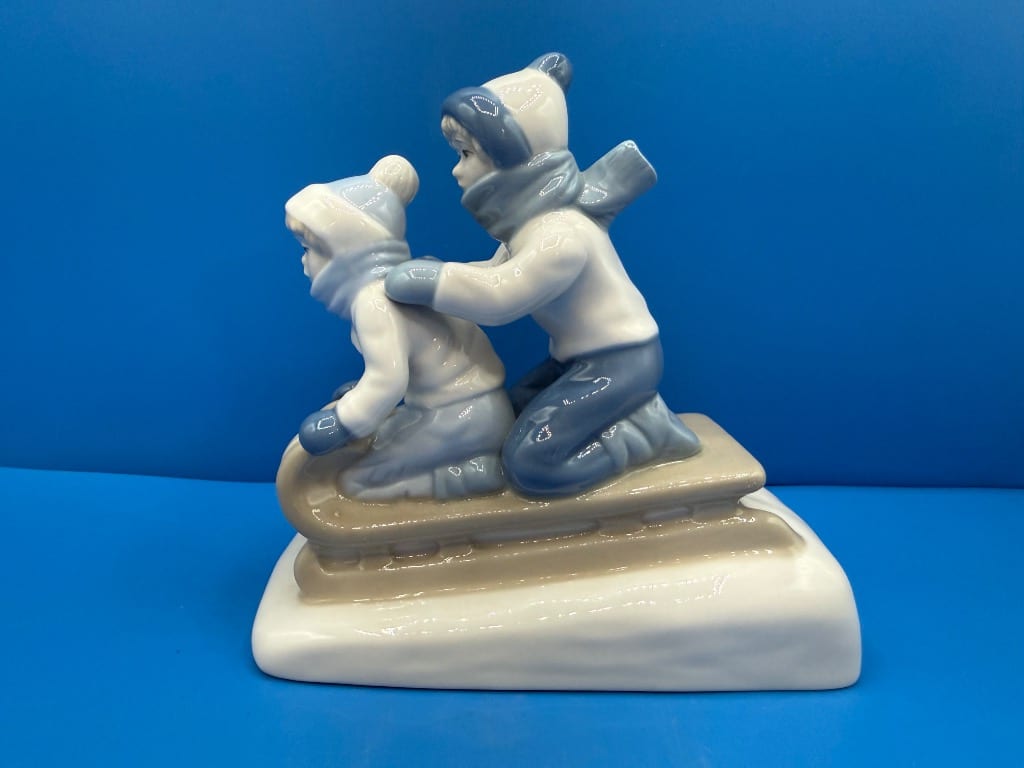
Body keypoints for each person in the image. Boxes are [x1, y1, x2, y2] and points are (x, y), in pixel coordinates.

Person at [385, 54, 700, 498]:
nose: (456, 169)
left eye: (466, 154)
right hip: (575, 361)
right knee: (505, 416)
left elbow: (500, 298)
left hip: (622, 363)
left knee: (532, 462)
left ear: (511, 158)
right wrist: (443, 275)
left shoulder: (560, 234)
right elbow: (494, 272)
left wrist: (435, 282)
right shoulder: (531, 227)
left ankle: (644, 436)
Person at [286, 155, 513, 500]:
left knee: (355, 482)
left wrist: (343, 420)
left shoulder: (373, 301)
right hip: (476, 410)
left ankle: (463, 478)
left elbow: (387, 380)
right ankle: (472, 463)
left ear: (342, 252)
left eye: (308, 249)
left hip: (458, 417)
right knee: (386, 436)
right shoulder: (411, 278)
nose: (304, 261)